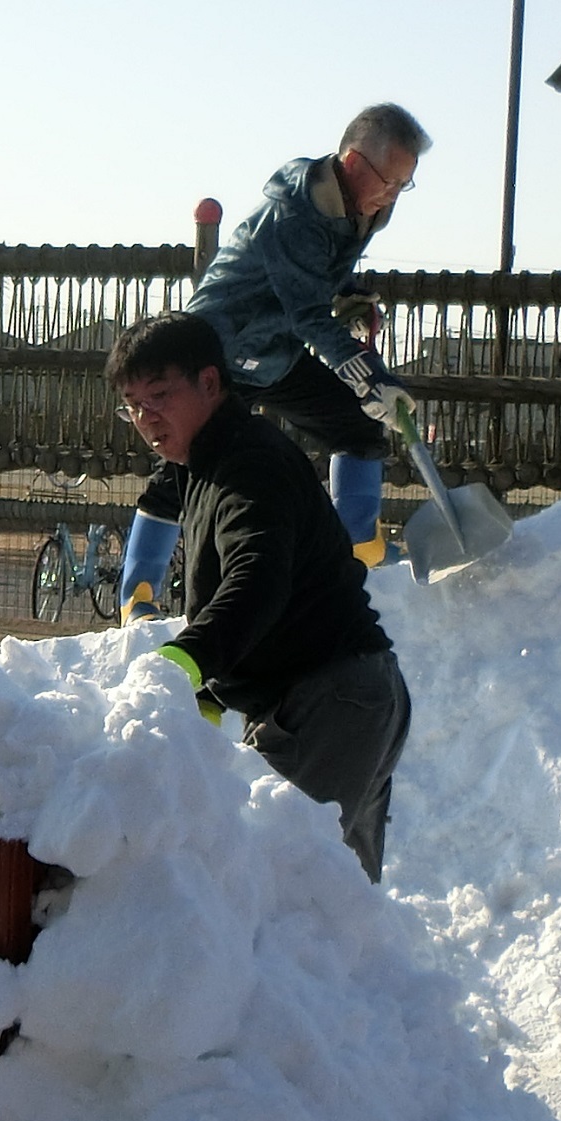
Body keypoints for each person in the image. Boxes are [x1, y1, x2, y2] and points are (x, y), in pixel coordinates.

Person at [107, 311, 410, 876]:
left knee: (274, 886)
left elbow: (258, 577)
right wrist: (214, 693)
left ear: (210, 383)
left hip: (331, 702)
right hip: (344, 697)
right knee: (334, 910)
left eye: (160, 396)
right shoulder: (206, 461)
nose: (146, 418)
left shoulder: (248, 466)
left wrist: (188, 658)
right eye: (132, 405)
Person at [132, 103, 430, 604]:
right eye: (391, 182)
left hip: (274, 353)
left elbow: (315, 279)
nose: (394, 195)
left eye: (405, 184)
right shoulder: (294, 213)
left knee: (355, 424)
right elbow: (308, 313)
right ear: (355, 164)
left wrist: (351, 296)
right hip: (219, 351)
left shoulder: (362, 207)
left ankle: (357, 545)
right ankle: (137, 594)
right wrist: (369, 376)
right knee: (188, 464)